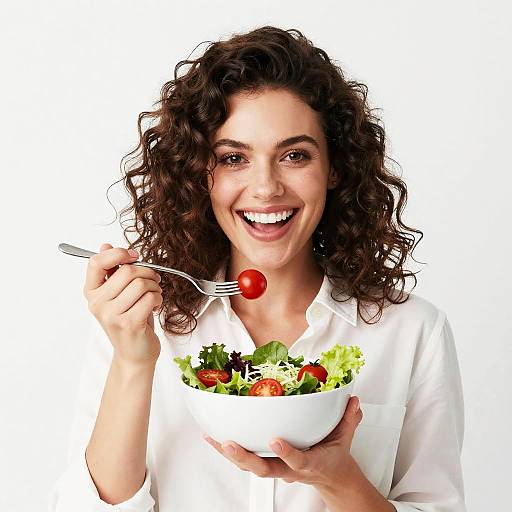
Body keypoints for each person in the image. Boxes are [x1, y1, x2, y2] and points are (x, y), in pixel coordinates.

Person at [49, 26, 465, 512]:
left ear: (334, 167)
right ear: (199, 175)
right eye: (233, 158)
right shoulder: (138, 325)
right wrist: (135, 362)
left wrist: (341, 481)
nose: (265, 188)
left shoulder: (413, 333)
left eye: (294, 155)